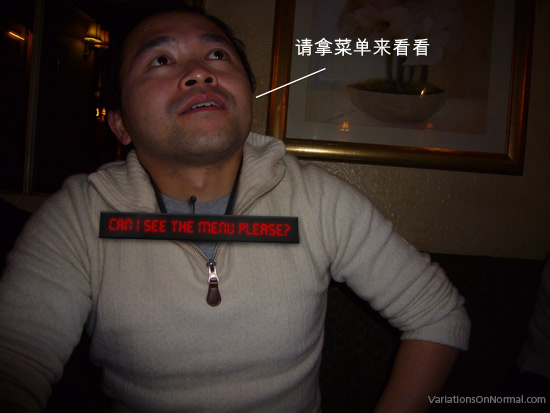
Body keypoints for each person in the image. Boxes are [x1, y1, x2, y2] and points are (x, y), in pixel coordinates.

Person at [0, 3, 470, 412]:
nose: (199, 72)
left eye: (217, 55)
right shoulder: (79, 215)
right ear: (120, 124)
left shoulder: (318, 200)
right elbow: (15, 363)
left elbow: (437, 314)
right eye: (160, 59)